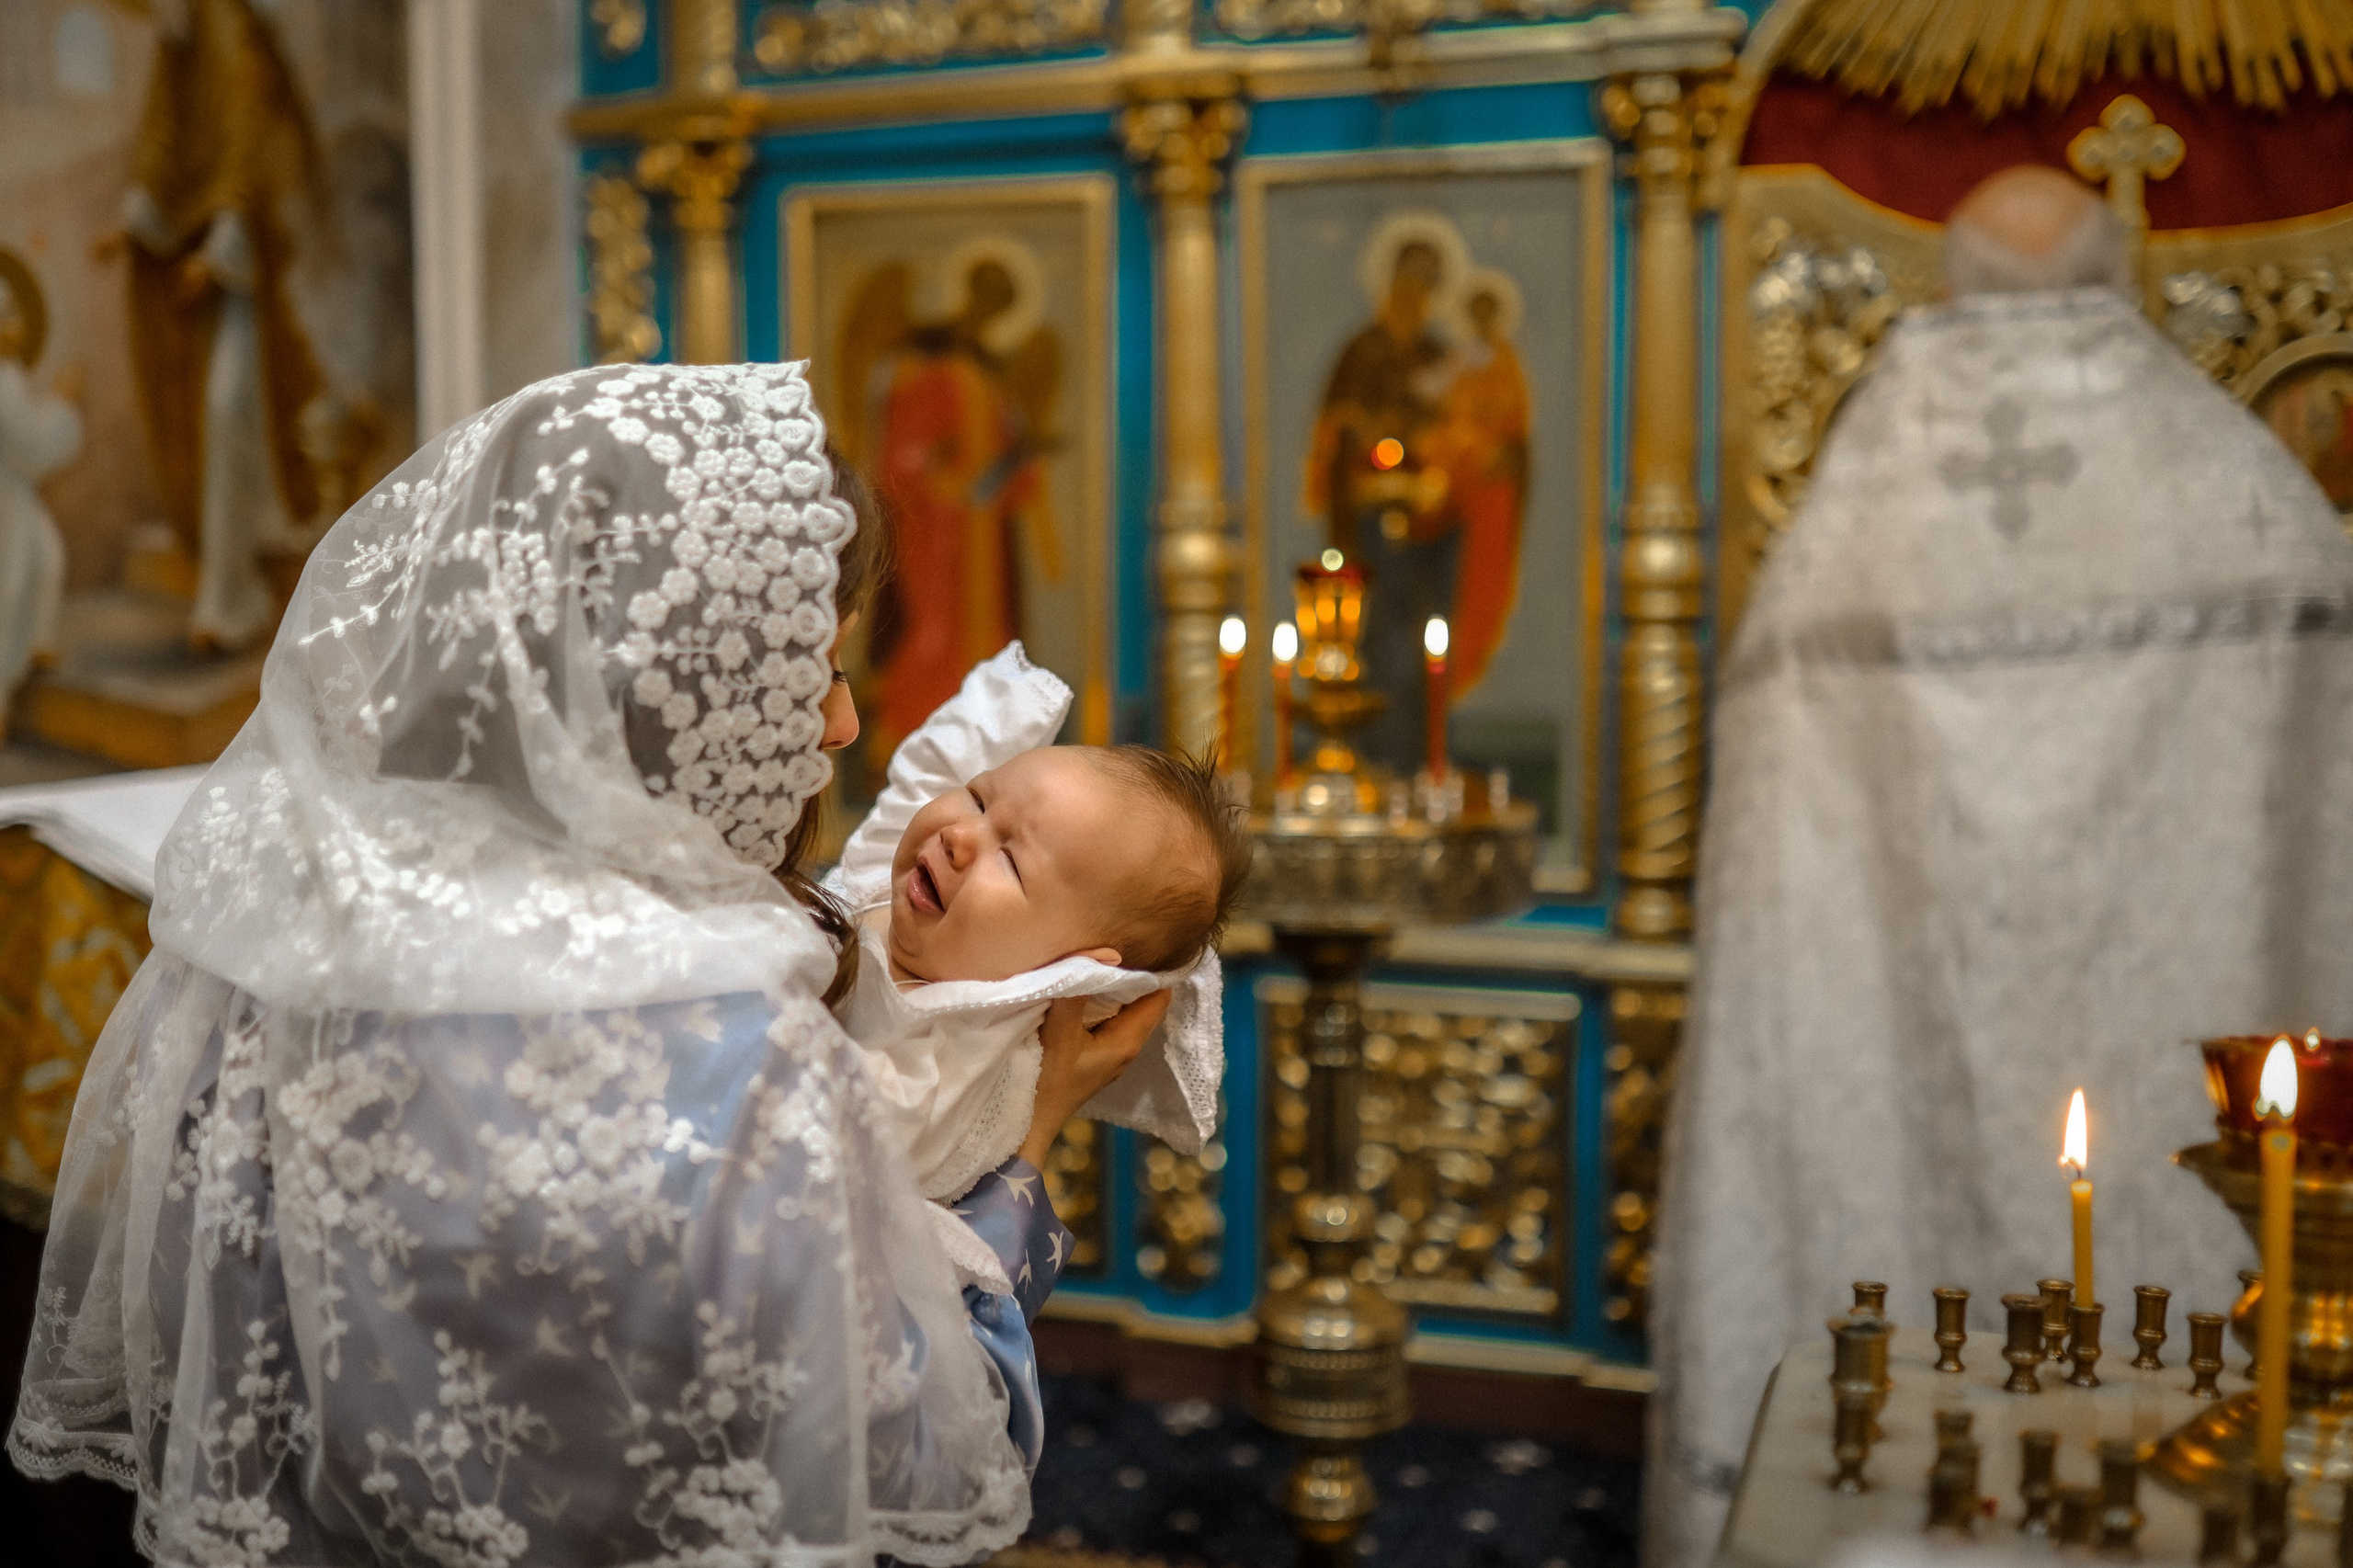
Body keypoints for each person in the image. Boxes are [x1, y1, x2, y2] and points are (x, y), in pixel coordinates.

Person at [6, 361, 1169, 1566]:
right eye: (813, 670)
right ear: (664, 697)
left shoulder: (258, 962)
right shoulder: (731, 1061)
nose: (841, 723)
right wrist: (1028, 1151)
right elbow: (919, 1461)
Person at [1645, 166, 2353, 1566]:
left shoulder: (1868, 487)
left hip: (1894, 1060)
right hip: (2169, 1036)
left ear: (1952, 275)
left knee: (1883, 1355)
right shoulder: (2230, 480)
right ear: (2117, 274)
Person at [824, 642, 1248, 1288]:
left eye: (1013, 862)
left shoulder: (974, 1051)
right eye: (979, 799)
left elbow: (864, 1134)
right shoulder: (893, 894)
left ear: (1076, 970)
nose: (960, 837)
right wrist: (1004, 708)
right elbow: (917, 786)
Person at [104, 0, 326, 653]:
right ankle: (227, 594)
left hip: (252, 252)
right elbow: (164, 134)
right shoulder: (183, 41)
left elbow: (246, 138)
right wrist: (135, 218)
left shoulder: (229, 29)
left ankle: (232, 598)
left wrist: (223, 239)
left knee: (235, 407)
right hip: (203, 249)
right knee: (215, 416)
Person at [0, 251, 82, 730]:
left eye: (15, 312)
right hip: (7, 499)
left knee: (46, 559)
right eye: (4, 315)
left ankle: (38, 642)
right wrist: (64, 404)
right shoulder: (5, 382)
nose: (16, 323)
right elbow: (32, 439)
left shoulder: (10, 375)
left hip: (14, 494)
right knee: (10, 584)